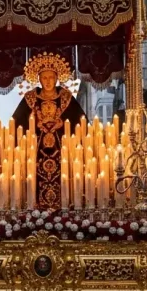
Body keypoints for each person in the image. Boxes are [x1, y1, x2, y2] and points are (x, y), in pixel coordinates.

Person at [10, 52, 86, 210]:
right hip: (35, 155)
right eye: (44, 78)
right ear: (38, 79)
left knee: (66, 180)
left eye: (52, 77)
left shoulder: (66, 98)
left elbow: (82, 126)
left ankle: (65, 206)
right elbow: (15, 126)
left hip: (63, 155)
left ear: (57, 78)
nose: (48, 81)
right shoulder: (30, 98)